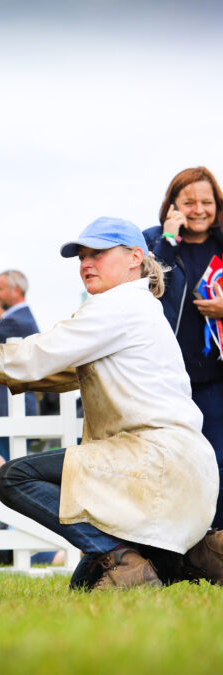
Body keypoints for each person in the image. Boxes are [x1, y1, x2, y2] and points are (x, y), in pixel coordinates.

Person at [0, 217, 221, 590]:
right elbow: (50, 373)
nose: (86, 263)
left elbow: (38, 353)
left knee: (13, 477)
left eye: (97, 254)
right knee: (83, 588)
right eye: (82, 256)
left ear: (135, 257)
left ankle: (124, 557)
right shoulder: (138, 308)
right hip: (168, 469)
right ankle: (195, 556)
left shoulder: (117, 306)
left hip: (152, 463)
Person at [143, 167, 223, 529]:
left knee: (217, 461)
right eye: (188, 201)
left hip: (215, 379)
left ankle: (215, 541)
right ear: (172, 204)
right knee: (169, 463)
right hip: (166, 379)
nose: (199, 209)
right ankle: (172, 545)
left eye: (206, 201)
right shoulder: (152, 240)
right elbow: (146, 290)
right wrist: (169, 239)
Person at [0, 270, 40, 460]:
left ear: (16, 291)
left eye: (0, 289)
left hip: (9, 407)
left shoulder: (14, 322)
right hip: (10, 406)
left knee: (6, 465)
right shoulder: (22, 319)